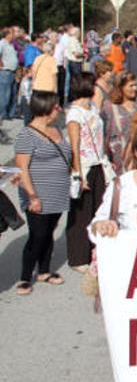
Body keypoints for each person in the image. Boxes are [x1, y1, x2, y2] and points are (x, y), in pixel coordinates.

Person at [14, 91, 71, 295]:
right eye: (56, 106)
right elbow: (22, 169)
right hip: (37, 193)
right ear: (45, 108)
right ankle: (25, 277)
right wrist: (32, 196)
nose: (59, 109)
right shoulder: (27, 134)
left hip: (58, 191)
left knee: (48, 232)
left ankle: (44, 271)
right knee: (37, 235)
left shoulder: (56, 129)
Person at [65, 72, 108, 272]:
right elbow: (74, 146)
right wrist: (78, 174)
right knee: (81, 212)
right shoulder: (74, 114)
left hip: (99, 162)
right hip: (85, 164)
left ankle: (94, 251)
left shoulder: (92, 107)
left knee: (97, 209)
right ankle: (77, 257)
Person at [104, 73, 137, 175]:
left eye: (136, 85)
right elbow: (105, 133)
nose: (135, 88)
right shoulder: (110, 106)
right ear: (121, 87)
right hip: (118, 154)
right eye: (131, 86)